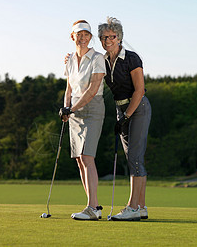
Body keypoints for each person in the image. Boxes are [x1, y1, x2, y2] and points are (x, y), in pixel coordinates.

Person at [98, 17, 151, 221]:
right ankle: (142, 207)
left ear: (119, 38)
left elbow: (140, 90)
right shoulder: (102, 61)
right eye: (104, 37)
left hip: (138, 108)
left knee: (135, 158)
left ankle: (132, 207)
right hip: (122, 111)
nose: (108, 40)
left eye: (112, 36)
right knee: (134, 159)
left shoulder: (131, 58)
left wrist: (126, 116)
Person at [59, 20, 106, 220]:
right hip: (74, 110)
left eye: (87, 34)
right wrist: (65, 108)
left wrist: (72, 108)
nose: (83, 37)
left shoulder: (97, 58)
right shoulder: (69, 60)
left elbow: (92, 89)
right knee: (79, 159)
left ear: (90, 37)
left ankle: (93, 207)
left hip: (93, 107)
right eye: (79, 34)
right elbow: (69, 88)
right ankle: (92, 206)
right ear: (73, 36)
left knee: (87, 157)